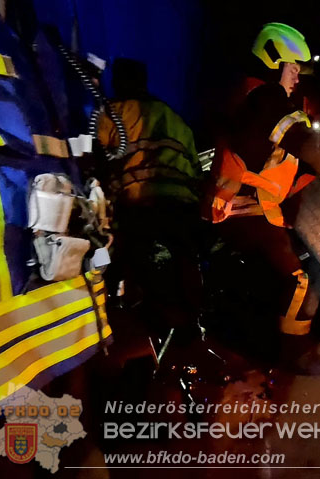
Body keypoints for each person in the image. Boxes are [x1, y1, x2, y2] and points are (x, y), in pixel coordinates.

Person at [205, 22, 320, 375]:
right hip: (243, 214)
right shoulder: (266, 100)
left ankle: (284, 343)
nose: (297, 77)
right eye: (293, 68)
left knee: (304, 268)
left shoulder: (257, 101)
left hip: (254, 211)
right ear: (274, 62)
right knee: (297, 278)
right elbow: (310, 146)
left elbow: (284, 169)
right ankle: (296, 356)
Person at [97, 58, 205, 344]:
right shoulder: (176, 119)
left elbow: (94, 161)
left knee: (121, 264)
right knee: (185, 265)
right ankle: (192, 328)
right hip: (182, 207)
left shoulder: (112, 113)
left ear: (119, 82)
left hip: (138, 205)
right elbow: (195, 168)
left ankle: (130, 331)